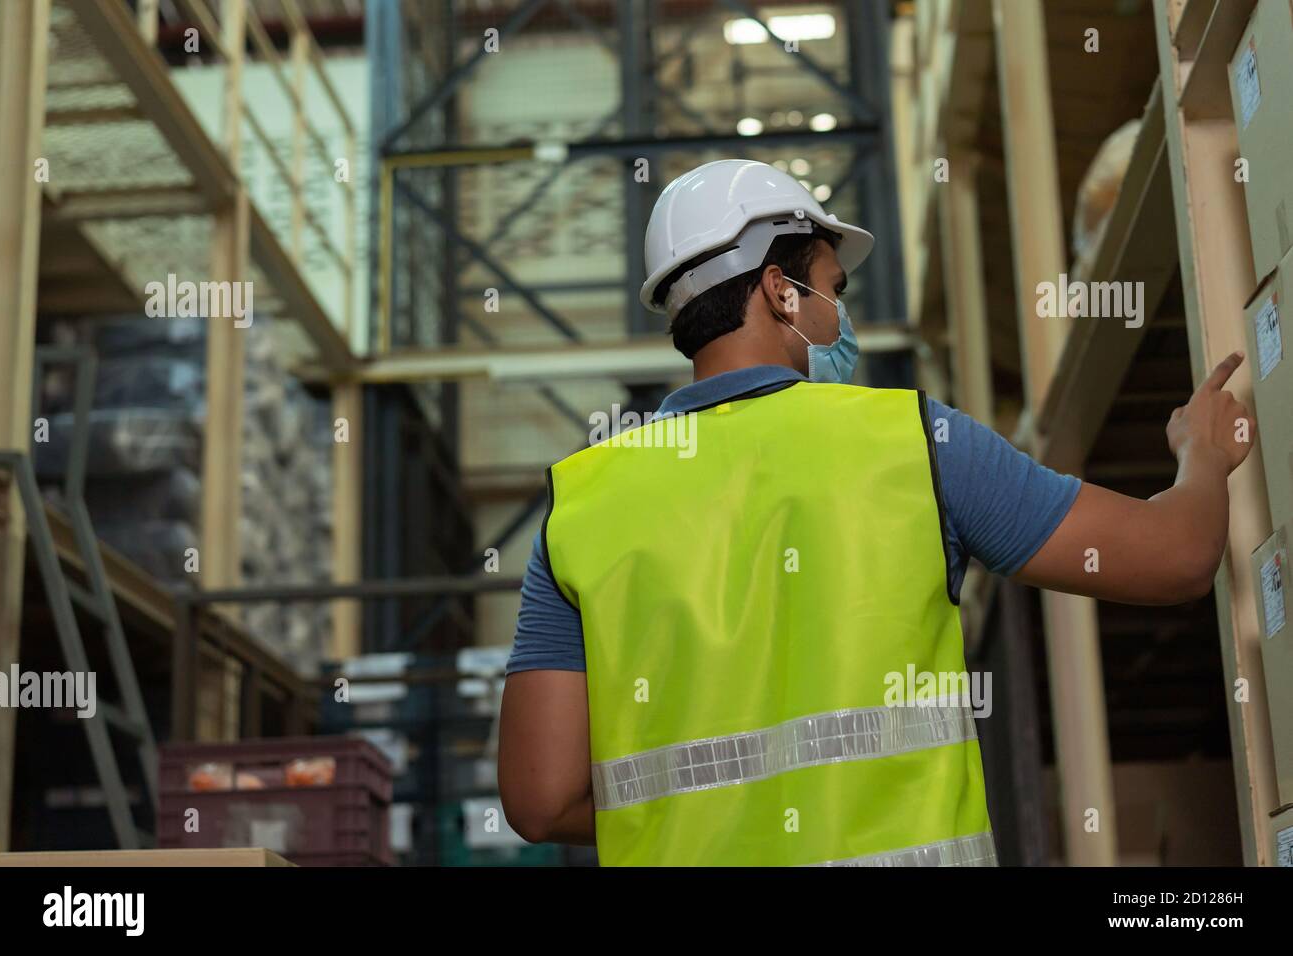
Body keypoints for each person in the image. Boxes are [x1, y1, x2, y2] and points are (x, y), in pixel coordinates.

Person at [497, 159, 1252, 866]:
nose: (839, 317)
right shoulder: (917, 443)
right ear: (777, 291)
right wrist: (1204, 456)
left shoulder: (582, 505)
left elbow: (540, 799)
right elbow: (1176, 555)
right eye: (834, 290)